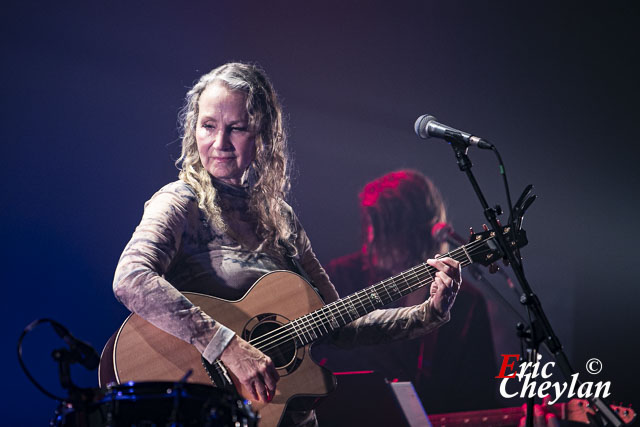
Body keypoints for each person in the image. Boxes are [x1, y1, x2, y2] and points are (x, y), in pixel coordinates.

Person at [112, 63, 461, 426]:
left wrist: (428, 312)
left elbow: (338, 322)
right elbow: (131, 278)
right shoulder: (181, 201)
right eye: (208, 126)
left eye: (237, 128)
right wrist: (228, 348)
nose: (219, 143)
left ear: (263, 134)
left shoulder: (282, 219)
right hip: (210, 411)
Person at [322, 170, 498, 413]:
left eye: (385, 227)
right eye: (369, 224)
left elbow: (479, 397)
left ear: (416, 229)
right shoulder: (342, 277)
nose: (372, 237)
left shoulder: (466, 302)